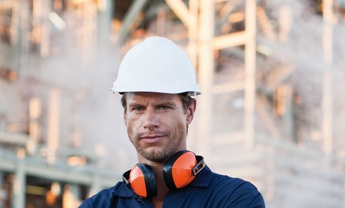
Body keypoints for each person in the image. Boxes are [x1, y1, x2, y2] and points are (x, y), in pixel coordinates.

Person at [79, 36, 266, 208]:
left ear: (190, 111)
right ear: (125, 116)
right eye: (138, 109)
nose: (149, 121)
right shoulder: (97, 206)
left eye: (163, 107)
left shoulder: (234, 198)